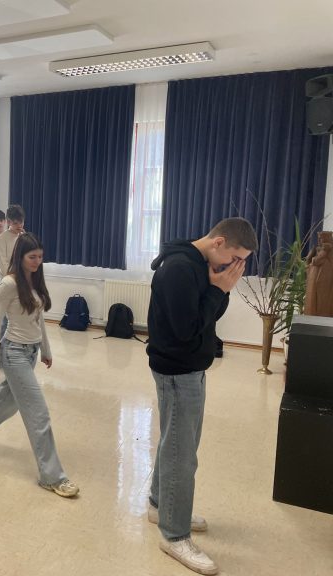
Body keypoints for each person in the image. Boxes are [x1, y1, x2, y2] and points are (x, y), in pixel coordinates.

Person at [146, 217, 257, 575]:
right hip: (178, 371)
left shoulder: (199, 264)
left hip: (190, 368)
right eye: (235, 259)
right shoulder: (181, 268)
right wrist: (218, 290)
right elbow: (187, 331)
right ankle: (174, 534)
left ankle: (160, 504)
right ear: (219, 242)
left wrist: (220, 289)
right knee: (182, 455)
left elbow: (210, 318)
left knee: (176, 442)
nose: (235, 267)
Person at [0, 232, 78, 499]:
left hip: (31, 353)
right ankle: (53, 477)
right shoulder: (8, 284)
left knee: (8, 400)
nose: (37, 262)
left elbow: (38, 319)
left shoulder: (34, 280)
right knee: (38, 413)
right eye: (32, 257)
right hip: (14, 353)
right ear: (20, 256)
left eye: (40, 257)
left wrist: (46, 350)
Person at [0, 204, 25, 279]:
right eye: (15, 223)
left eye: (21, 222)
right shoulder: (1, 239)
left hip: (22, 279)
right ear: (8, 222)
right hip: (7, 280)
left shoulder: (24, 237)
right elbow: (3, 267)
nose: (19, 226)